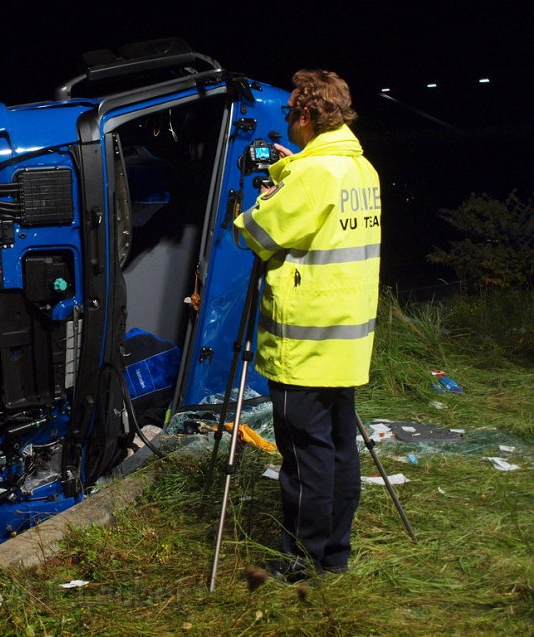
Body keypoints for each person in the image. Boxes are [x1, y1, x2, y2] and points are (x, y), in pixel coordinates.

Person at [234, 69, 381, 579]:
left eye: (291, 115)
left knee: (303, 459)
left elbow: (254, 234)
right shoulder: (360, 169)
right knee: (339, 449)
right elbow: (319, 207)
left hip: (305, 346)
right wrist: (289, 171)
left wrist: (268, 190)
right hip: (345, 340)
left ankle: (300, 561)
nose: (288, 125)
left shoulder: (313, 176)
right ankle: (334, 554)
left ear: (305, 116)